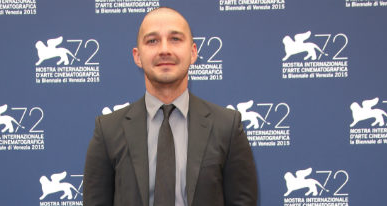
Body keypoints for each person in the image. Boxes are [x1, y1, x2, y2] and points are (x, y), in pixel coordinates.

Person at [83, 7, 257, 206]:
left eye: (175, 39)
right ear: (137, 56)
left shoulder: (227, 126)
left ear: (193, 52)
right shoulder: (108, 130)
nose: (164, 49)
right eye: (152, 41)